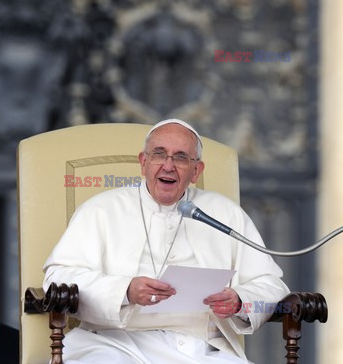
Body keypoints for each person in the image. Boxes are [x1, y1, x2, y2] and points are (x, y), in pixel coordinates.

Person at [42, 119, 290, 363]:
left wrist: (240, 301)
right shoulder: (100, 210)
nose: (168, 166)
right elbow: (57, 277)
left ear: (196, 171)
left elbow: (271, 285)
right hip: (112, 343)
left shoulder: (225, 213)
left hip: (200, 348)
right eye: (159, 154)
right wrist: (124, 290)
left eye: (181, 157)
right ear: (143, 162)